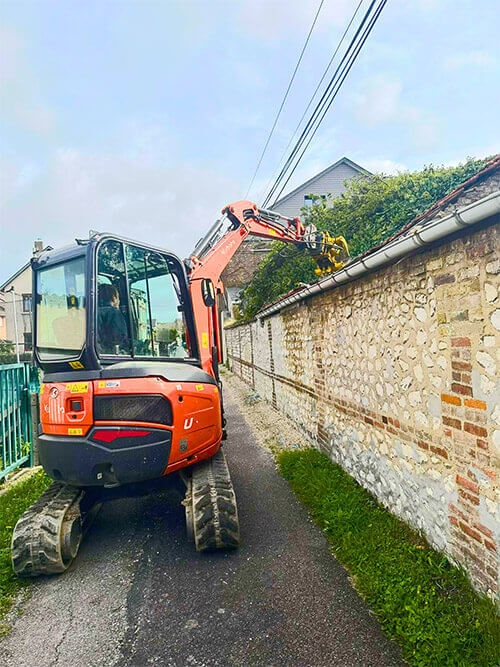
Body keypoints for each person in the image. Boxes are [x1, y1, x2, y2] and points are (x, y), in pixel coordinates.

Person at [97, 283, 130, 354]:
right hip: (108, 354)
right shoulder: (114, 312)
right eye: (118, 298)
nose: (119, 301)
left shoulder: (92, 312)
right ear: (113, 298)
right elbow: (118, 338)